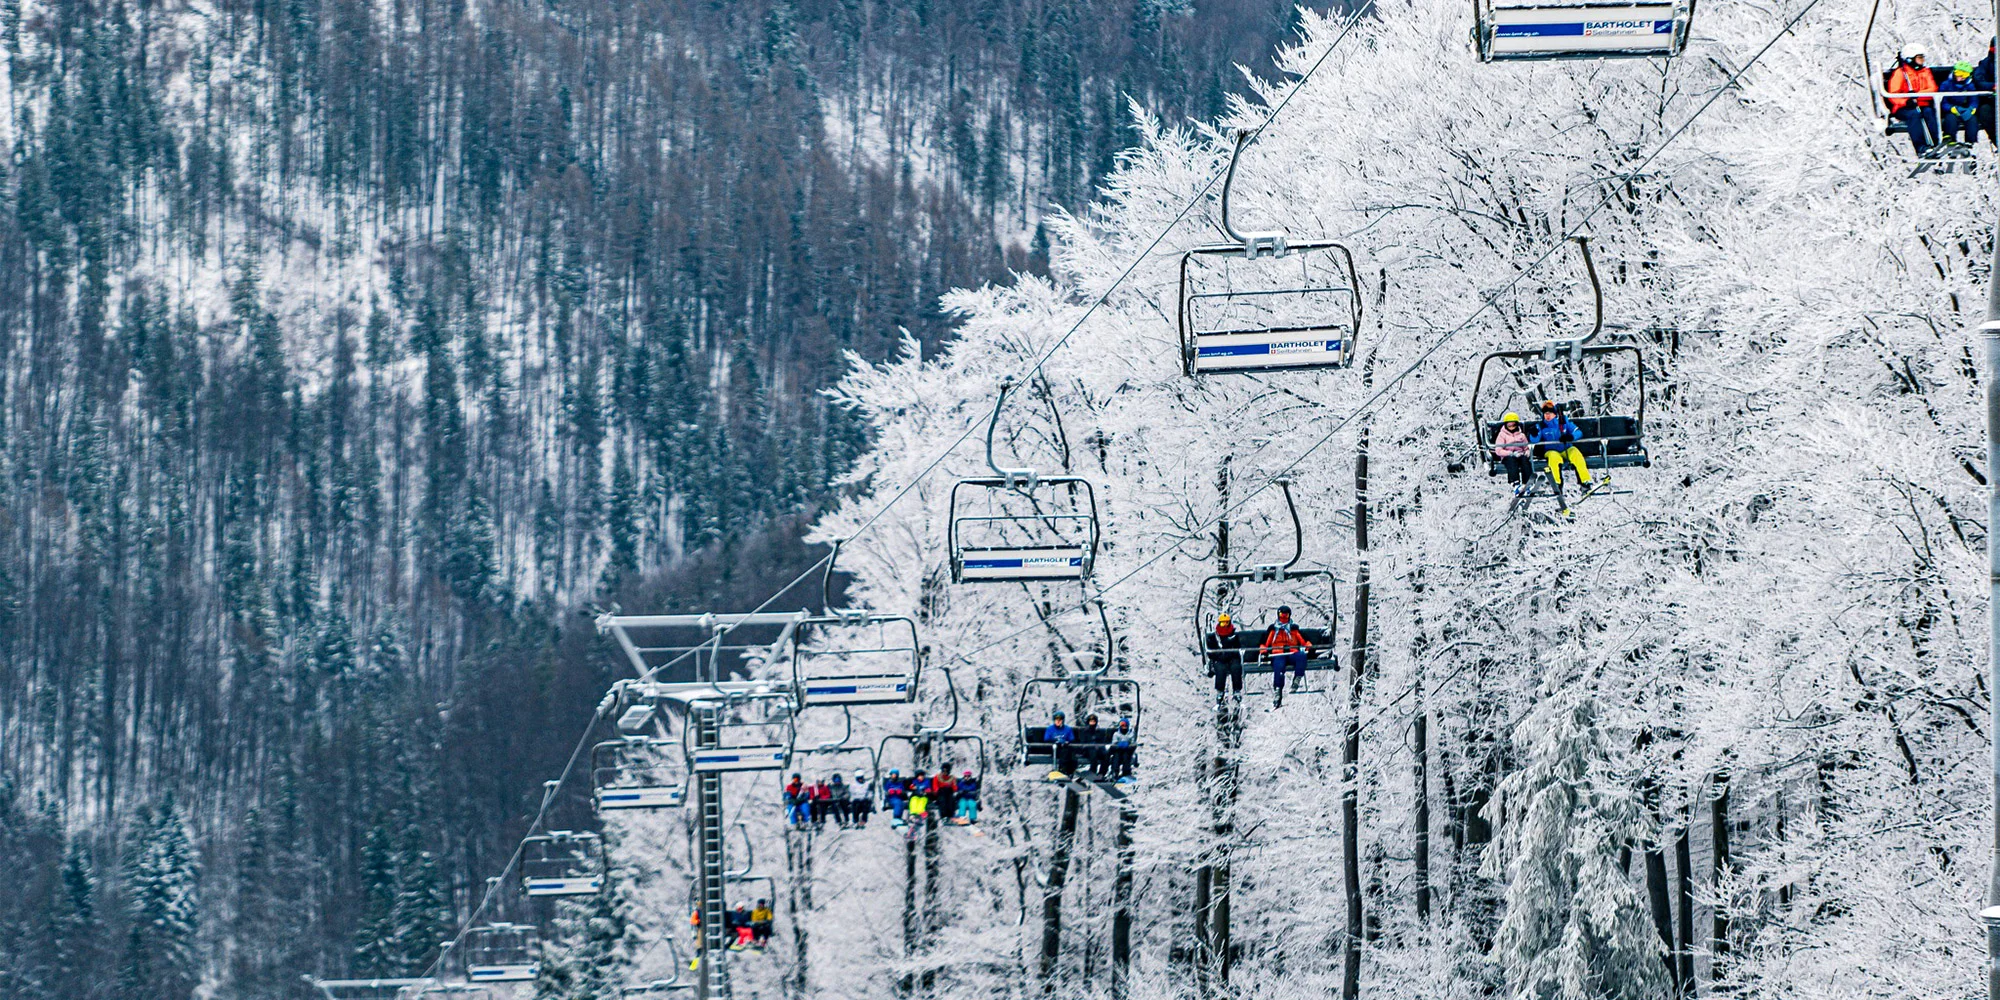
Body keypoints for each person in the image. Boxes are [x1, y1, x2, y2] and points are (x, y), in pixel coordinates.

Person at [1533, 400, 1593, 506]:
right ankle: (1557, 484)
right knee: (1554, 459)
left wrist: (1571, 436)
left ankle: (1585, 482)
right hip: (1551, 450)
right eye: (1545, 413)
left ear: (1554, 414)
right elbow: (1534, 440)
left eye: (1549, 413)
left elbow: (1578, 432)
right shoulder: (1541, 426)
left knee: (1576, 454)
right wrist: (1534, 434)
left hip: (1566, 449)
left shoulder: (1563, 422)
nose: (1547, 416)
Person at [1887, 45, 1942, 157]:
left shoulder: (1925, 72)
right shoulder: (1901, 73)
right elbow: (1893, 94)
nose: (1922, 60)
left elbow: (1932, 88)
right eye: (1919, 57)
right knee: (1914, 115)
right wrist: (1906, 101)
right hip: (1904, 108)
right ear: (1910, 59)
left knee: (1928, 112)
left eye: (1923, 57)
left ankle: (1935, 143)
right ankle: (1921, 147)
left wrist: (1917, 96)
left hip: (1922, 104)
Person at [1259, 605, 1313, 707]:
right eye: (1281, 614)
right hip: (1278, 653)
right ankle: (1278, 690)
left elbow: (1303, 641)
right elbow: (1265, 642)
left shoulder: (1294, 629)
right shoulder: (1273, 629)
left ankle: (1297, 678)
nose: (1283, 617)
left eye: (1286, 615)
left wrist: (1307, 646)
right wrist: (1264, 650)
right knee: (1279, 666)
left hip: (1292, 652)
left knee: (1301, 656)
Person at [1941, 61, 1985, 144]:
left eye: (1964, 75)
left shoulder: (1970, 86)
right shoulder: (1946, 84)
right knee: (1951, 119)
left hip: (1965, 108)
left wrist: (1972, 108)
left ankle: (1971, 142)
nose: (1960, 77)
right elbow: (1943, 101)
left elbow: (1974, 99)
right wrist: (1951, 108)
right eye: (1958, 73)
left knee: (1972, 119)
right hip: (1952, 109)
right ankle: (1950, 140)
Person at [1492, 411, 1533, 496]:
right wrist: (1510, 453)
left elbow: (1525, 446)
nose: (1511, 427)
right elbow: (1498, 450)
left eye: (1513, 425)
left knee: (1525, 461)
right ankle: (1515, 483)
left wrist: (1527, 451)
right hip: (1508, 456)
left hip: (1519, 454)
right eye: (1509, 425)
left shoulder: (1521, 435)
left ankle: (1527, 483)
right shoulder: (1502, 435)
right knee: (1511, 462)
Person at [1207, 613, 1243, 705]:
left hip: (1232, 658)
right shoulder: (1214, 637)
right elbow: (1211, 651)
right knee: (1221, 669)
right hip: (1219, 659)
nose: (1224, 626)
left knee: (1236, 667)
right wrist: (1218, 656)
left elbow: (1237, 647)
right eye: (1222, 623)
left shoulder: (1233, 635)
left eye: (1226, 623)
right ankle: (1220, 691)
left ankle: (1237, 690)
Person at [1044, 710, 1078, 779]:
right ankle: (1062, 771)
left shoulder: (1067, 729)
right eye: (1056, 720)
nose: (1058, 721)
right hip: (1054, 749)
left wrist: (1065, 742)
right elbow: (1046, 739)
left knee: (1071, 755)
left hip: (1065, 748)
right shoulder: (1050, 729)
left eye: (1060, 720)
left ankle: (1070, 772)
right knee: (1065, 752)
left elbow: (1071, 739)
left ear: (1063, 720)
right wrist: (1056, 741)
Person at [1107, 717, 1136, 782]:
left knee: (1126, 757)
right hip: (1118, 751)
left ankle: (1126, 773)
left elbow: (1133, 744)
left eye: (1125, 725)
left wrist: (1128, 745)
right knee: (1116, 757)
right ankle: (1115, 773)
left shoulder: (1130, 734)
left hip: (1126, 751)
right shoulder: (1116, 734)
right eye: (1122, 725)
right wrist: (1120, 745)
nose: (1124, 727)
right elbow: (1114, 744)